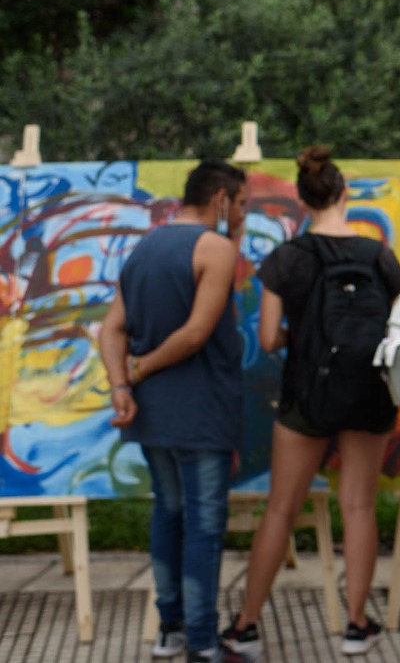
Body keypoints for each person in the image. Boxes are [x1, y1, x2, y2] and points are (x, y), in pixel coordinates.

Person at [220, 146, 400, 659]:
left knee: (281, 508)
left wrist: (303, 334)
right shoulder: (378, 255)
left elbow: (269, 338)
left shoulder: (286, 258)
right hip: (370, 391)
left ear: (302, 201)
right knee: (360, 507)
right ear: (344, 194)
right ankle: (355, 624)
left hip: (307, 393)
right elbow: (397, 326)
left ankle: (247, 626)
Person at [99, 159, 247, 663]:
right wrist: (136, 372)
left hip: (154, 415)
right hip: (202, 412)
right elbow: (196, 333)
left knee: (168, 511)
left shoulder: (145, 246)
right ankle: (204, 643)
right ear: (222, 200)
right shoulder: (216, 249)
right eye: (240, 204)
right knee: (204, 523)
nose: (241, 213)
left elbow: (110, 329)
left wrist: (121, 383)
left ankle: (171, 629)